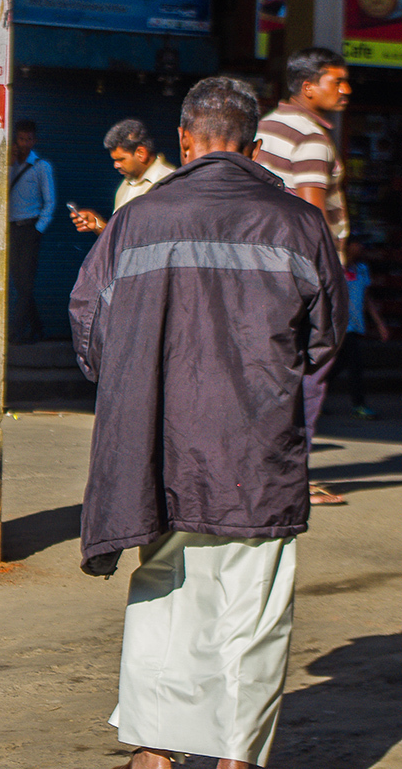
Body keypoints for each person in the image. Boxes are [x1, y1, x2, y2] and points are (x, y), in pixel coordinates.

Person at [69, 76, 347, 769]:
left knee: (165, 595)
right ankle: (235, 757)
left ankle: (156, 752)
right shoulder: (299, 222)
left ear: (186, 142)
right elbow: (323, 339)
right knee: (251, 610)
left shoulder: (138, 219)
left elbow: (87, 321)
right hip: (257, 448)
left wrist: (138, 379)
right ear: (255, 147)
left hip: (157, 444)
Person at [256, 47, 353, 505]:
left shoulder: (267, 128)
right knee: (309, 373)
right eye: (338, 81)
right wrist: (328, 276)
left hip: (267, 267)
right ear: (309, 86)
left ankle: (262, 470)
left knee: (275, 372)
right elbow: (313, 211)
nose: (346, 90)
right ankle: (294, 480)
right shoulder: (313, 136)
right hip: (309, 270)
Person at [71, 119, 175, 234]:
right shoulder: (125, 185)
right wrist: (97, 225)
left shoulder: (171, 182)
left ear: (141, 153)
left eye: (121, 159)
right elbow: (122, 240)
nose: (116, 165)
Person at [327, 235, 389, 421]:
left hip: (355, 324)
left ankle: (313, 393)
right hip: (339, 325)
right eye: (357, 244)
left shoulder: (362, 270)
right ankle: (358, 405)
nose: (360, 247)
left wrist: (380, 324)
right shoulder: (335, 267)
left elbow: (367, 299)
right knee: (355, 365)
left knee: (338, 365)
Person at [8, 119, 56, 344]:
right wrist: (9, 164)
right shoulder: (9, 164)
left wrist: (38, 230)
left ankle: (14, 332)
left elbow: (50, 201)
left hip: (30, 230)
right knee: (20, 284)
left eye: (29, 139)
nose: (25, 143)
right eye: (21, 138)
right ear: (15, 139)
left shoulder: (41, 166)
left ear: (34, 140)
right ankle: (37, 327)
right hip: (11, 230)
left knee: (25, 285)